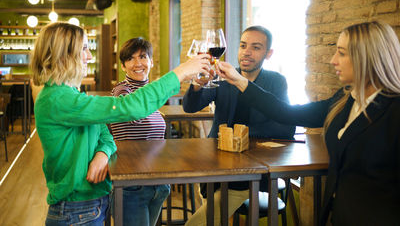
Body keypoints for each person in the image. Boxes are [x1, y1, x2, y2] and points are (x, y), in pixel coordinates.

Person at [216, 21, 400, 226]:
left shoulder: (394, 110)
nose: (333, 61)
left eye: (341, 53)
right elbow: (287, 113)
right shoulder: (346, 99)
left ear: (367, 57)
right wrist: (240, 81)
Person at [31, 22, 211, 226]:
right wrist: (181, 72)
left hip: (90, 203)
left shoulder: (69, 94)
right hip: (75, 209)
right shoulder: (57, 99)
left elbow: (105, 134)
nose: (89, 56)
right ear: (63, 54)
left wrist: (102, 154)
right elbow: (130, 107)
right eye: (84, 49)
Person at [183, 26, 295, 226]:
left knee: (203, 219)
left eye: (256, 47)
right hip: (214, 165)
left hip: (252, 170)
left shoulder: (276, 82)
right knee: (212, 209)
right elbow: (190, 107)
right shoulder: (224, 76)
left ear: (268, 54)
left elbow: (285, 128)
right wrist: (198, 83)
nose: (247, 52)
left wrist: (237, 136)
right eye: (243, 45)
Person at [109, 38, 169, 226]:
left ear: (151, 61)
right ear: (123, 65)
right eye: (130, 59)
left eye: (143, 57)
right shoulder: (122, 91)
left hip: (157, 181)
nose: (137, 63)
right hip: (131, 183)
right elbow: (134, 113)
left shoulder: (150, 92)